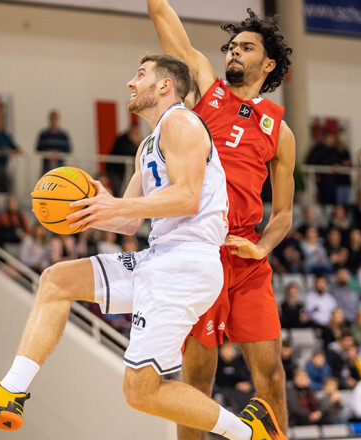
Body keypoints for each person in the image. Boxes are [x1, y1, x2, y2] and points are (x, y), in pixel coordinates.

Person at [0, 54, 283, 440]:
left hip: (188, 263)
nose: (131, 84)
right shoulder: (148, 145)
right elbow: (131, 221)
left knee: (140, 392)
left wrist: (115, 205)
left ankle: (251, 433)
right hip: (161, 257)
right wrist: (87, 212)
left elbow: (187, 198)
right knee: (56, 281)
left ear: (165, 85)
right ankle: (10, 394)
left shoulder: (182, 122)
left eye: (140, 75)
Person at [146, 4, 295, 437]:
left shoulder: (279, 130)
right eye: (231, 46)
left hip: (246, 257)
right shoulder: (206, 91)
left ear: (267, 64)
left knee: (271, 378)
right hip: (197, 250)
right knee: (196, 382)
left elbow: (284, 213)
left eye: (245, 47)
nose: (233, 52)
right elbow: (164, 20)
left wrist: (262, 247)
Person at [106, 123, 142, 196]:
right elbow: (125, 153)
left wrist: (137, 143)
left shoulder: (140, 140)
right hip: (115, 168)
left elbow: (139, 153)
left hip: (127, 170)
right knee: (118, 187)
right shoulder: (122, 139)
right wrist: (135, 143)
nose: (136, 133)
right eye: (135, 131)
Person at [35, 110, 72, 175]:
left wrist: (58, 153)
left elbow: (68, 150)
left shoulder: (63, 135)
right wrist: (48, 153)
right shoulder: (43, 134)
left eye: (56, 119)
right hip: (47, 166)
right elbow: (38, 148)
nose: (54, 121)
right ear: (49, 120)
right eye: (52, 119)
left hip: (60, 166)